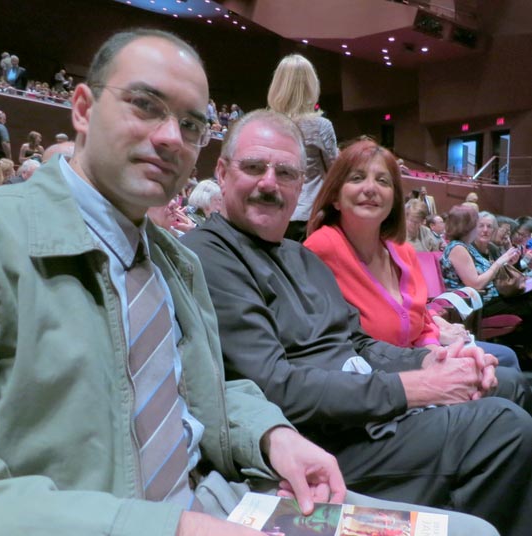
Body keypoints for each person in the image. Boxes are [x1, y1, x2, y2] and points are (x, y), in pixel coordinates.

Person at [0, 28, 375, 536]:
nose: (170, 137)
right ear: (83, 109)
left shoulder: (175, 261)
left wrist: (270, 434)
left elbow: (197, 386)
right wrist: (169, 528)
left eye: (191, 124)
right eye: (145, 105)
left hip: (217, 496)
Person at [182, 109, 532, 536]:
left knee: (510, 384)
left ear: (301, 185)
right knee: (506, 430)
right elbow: (274, 385)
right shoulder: (209, 254)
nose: (269, 183)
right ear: (222, 172)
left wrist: (432, 362)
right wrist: (416, 388)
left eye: (285, 173)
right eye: (254, 167)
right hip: (321, 441)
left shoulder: (300, 256)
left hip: (368, 411)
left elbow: (359, 343)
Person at [304, 140, 520, 370]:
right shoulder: (321, 248)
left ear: (393, 200)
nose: (371, 188)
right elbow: (325, 346)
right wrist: (433, 363)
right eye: (357, 178)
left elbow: (420, 323)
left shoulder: (402, 251)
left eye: (382, 181)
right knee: (503, 372)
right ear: (335, 197)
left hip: (419, 356)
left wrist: (435, 351)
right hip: (376, 375)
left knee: (505, 361)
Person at [267, 54, 338, 242]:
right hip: (309, 217)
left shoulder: (266, 124)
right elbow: (336, 172)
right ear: (311, 86)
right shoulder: (321, 126)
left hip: (274, 212)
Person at [441, 205, 532, 329]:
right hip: (476, 304)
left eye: (489, 226)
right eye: (478, 225)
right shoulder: (458, 248)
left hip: (491, 298)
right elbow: (476, 284)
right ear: (468, 227)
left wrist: (507, 263)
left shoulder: (465, 246)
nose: (482, 230)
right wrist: (499, 262)